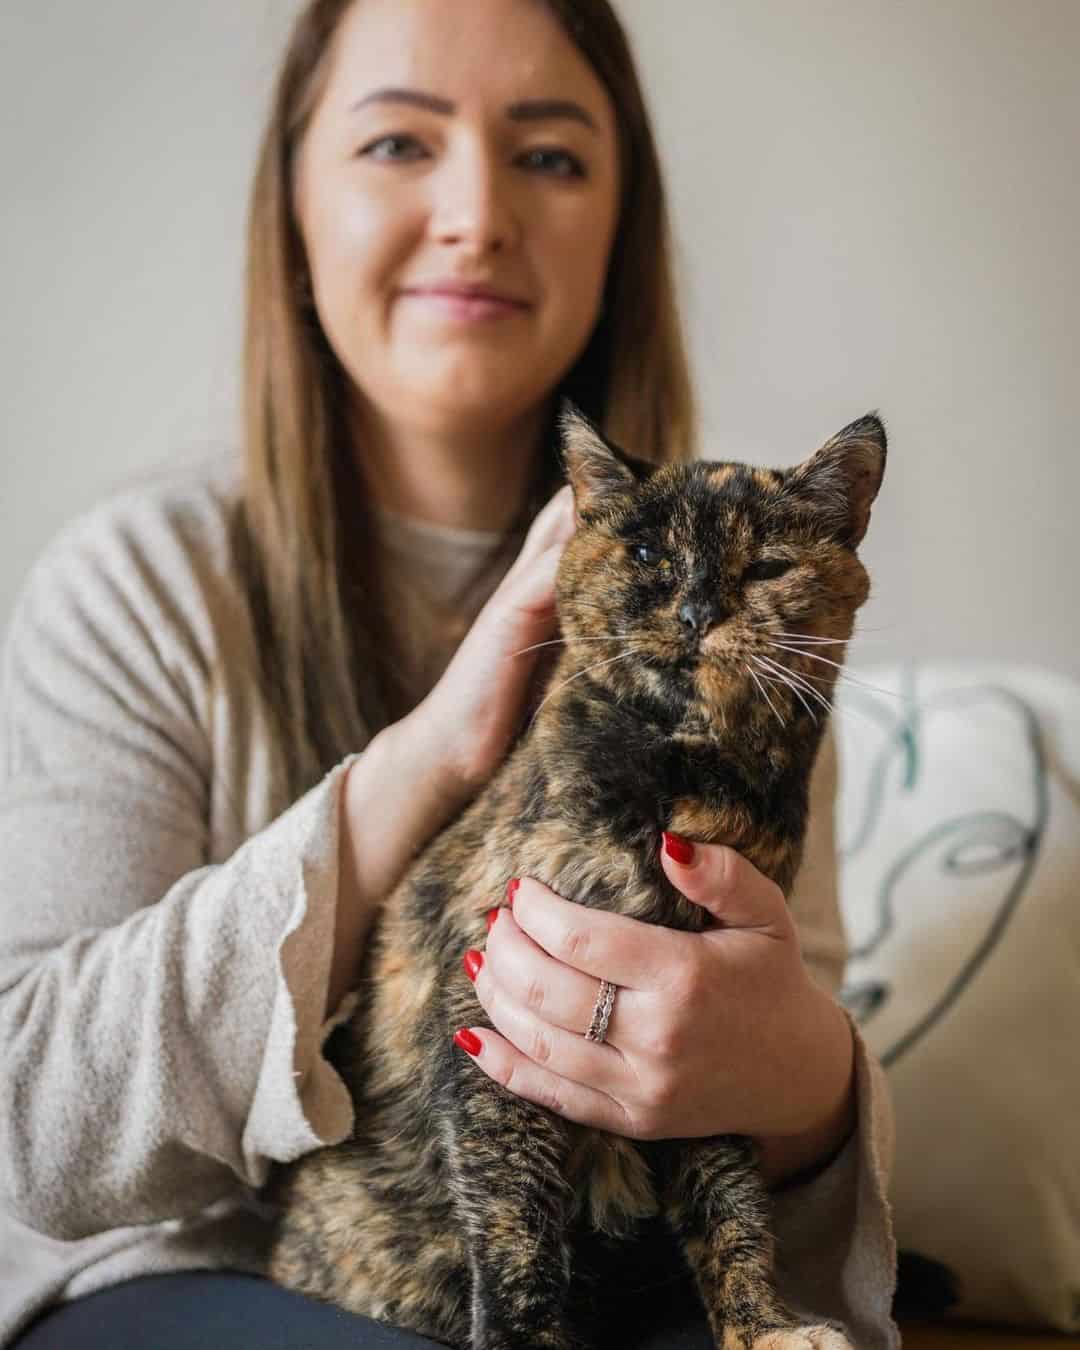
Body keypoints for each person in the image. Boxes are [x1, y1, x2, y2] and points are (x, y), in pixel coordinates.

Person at [0, 0, 900, 1346]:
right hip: (186, 1278)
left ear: (623, 225)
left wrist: (810, 1082)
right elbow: (30, 1123)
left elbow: (771, 1150)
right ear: (292, 203)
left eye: (549, 155)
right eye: (398, 144)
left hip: (610, 1281)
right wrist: (432, 753)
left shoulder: (747, 629)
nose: (478, 211)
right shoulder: (137, 582)